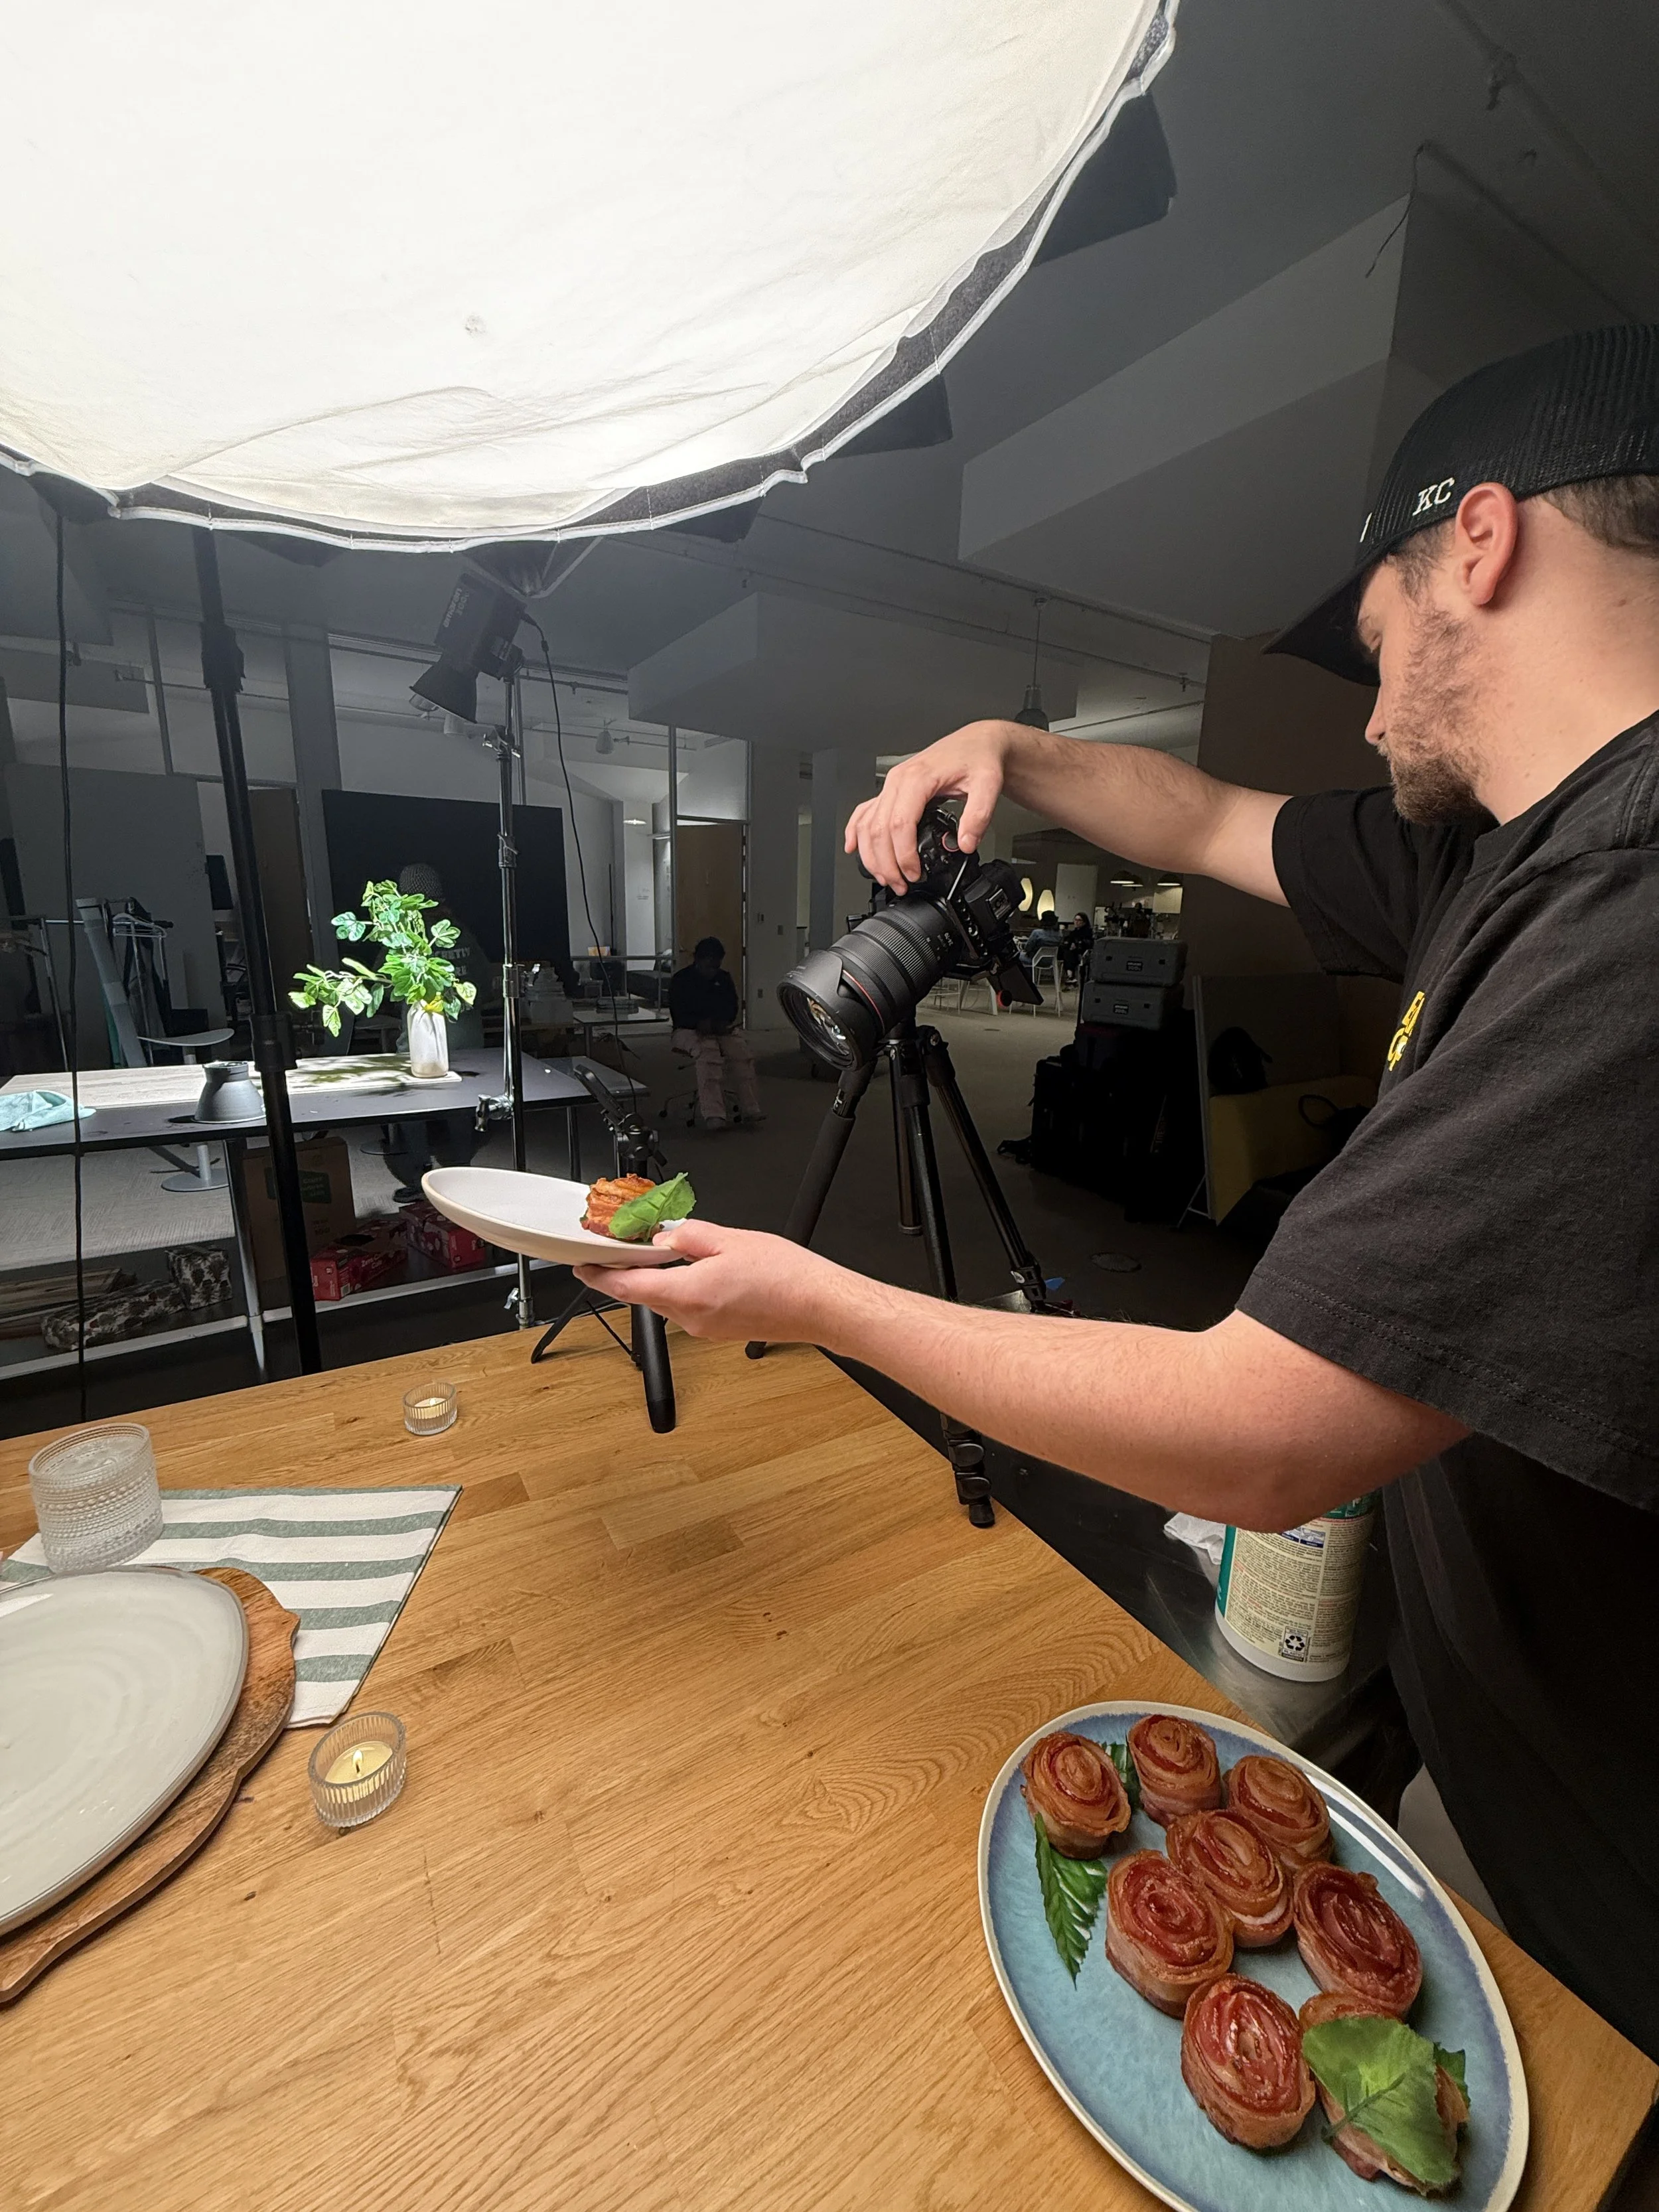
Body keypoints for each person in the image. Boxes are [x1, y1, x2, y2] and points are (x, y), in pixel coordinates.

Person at [581, 327, 1659, 2056]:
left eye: (1377, 645)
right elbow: (1209, 812)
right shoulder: (1489, 844)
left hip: (1619, 1864)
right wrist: (1006, 738)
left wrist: (814, 1293)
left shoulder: (1626, 912)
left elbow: (1265, 1420)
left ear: (1482, 541)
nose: (1371, 708)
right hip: (1487, 1729)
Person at [667, 936, 764, 1130]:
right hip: (687, 1030)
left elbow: (732, 1008)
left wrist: (721, 1023)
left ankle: (751, 1108)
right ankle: (714, 1115)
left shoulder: (723, 978)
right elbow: (679, 1016)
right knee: (709, 1053)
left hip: (720, 1030)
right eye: (709, 966)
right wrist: (701, 1024)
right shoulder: (681, 980)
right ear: (698, 960)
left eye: (716, 966)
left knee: (741, 1053)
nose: (713, 971)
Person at [1060, 910, 1094, 983]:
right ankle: (1071, 977)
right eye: (1075, 920)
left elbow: (1089, 944)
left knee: (1068, 954)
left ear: (1084, 922)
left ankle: (1070, 977)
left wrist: (1078, 945)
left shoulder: (1088, 932)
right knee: (1067, 952)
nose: (1076, 922)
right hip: (1073, 953)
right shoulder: (1073, 932)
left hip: (1083, 954)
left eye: (1079, 920)